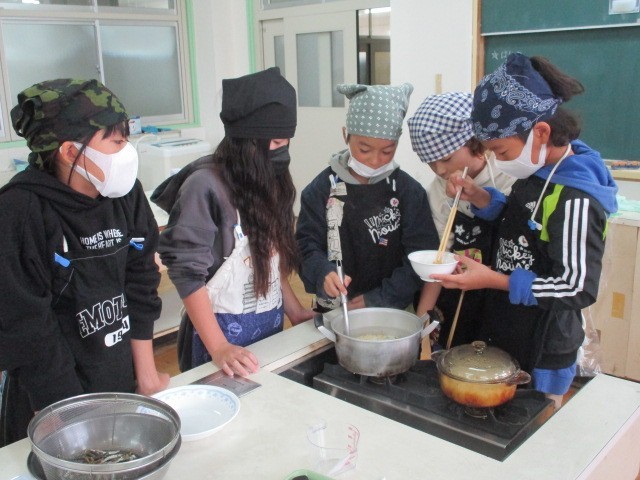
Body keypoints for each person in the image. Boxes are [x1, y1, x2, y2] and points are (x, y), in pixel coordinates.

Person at [431, 54, 618, 409]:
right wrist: (481, 197)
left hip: (545, 344)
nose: (499, 162)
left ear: (541, 133)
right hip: (512, 326)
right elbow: (522, 224)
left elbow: (576, 287)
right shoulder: (538, 172)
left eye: (501, 151)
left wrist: (494, 280)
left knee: (534, 419)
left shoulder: (576, 198)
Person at [0, 79, 169, 446]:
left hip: (117, 376)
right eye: (116, 142)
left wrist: (146, 374)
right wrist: (68, 417)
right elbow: (26, 329)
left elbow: (140, 280)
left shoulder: (125, 194)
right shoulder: (20, 210)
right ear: (68, 150)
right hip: (49, 399)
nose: (127, 152)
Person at [152, 67, 313, 377]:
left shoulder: (268, 176)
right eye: (275, 143)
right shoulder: (204, 187)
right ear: (248, 141)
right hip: (216, 340)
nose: (282, 153)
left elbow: (268, 256)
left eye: (286, 143)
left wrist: (294, 310)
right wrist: (219, 347)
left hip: (268, 330)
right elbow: (186, 273)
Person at [296, 82, 440, 316]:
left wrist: (380, 298)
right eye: (364, 149)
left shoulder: (408, 192)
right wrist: (323, 272)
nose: (375, 160)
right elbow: (305, 246)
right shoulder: (321, 190)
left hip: (393, 310)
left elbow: (421, 256)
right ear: (346, 135)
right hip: (335, 310)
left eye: (387, 151)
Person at [408, 92, 515, 347]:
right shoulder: (438, 190)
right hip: (459, 292)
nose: (440, 170)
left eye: (445, 159)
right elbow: (439, 255)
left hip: (507, 293)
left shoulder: (510, 173)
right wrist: (422, 319)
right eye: (431, 163)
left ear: (476, 143)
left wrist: (478, 197)